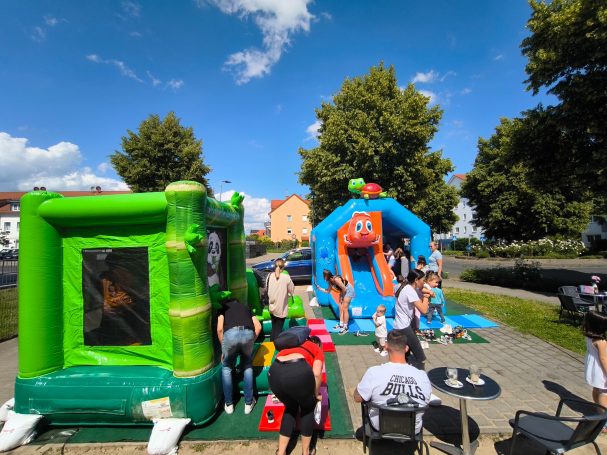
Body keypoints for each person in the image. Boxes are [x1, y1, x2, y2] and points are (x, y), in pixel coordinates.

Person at [354, 329, 432, 435]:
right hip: (412, 429)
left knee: (367, 398)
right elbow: (426, 400)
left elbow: (357, 398)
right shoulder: (422, 376)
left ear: (386, 346)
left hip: (380, 427)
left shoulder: (374, 372)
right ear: (406, 348)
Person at [268, 335, 324, 455]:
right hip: (296, 373)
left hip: (274, 374)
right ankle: (306, 451)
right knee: (307, 409)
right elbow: (317, 373)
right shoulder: (317, 349)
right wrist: (315, 395)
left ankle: (281, 452)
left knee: (290, 408)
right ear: (318, 344)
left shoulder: (292, 345)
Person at [216, 297, 262, 415]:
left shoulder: (223, 308)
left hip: (230, 335)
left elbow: (220, 329)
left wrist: (224, 347)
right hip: (248, 333)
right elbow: (258, 327)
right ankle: (248, 403)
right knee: (247, 365)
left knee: (226, 368)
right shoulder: (246, 308)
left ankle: (229, 404)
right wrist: (252, 340)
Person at [393, 269, 431, 369]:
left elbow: (419, 289)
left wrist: (427, 290)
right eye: (423, 280)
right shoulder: (410, 291)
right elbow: (423, 310)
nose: (424, 282)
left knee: (405, 353)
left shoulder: (402, 286)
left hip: (398, 325)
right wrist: (426, 297)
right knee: (420, 356)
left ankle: (403, 372)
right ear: (416, 280)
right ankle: (419, 376)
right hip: (404, 327)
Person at [583, 310, 607, 418]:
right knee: (604, 393)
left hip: (593, 367)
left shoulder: (589, 336)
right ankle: (604, 418)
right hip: (601, 370)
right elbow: (603, 358)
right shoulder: (601, 342)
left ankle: (598, 410)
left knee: (596, 389)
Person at [315, 269, 355, 335]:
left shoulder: (336, 279)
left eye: (324, 275)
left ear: (327, 276)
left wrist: (342, 297)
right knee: (340, 308)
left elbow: (344, 289)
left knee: (345, 308)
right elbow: (328, 291)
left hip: (348, 290)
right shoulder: (330, 282)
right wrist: (319, 288)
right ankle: (341, 324)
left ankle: (345, 327)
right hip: (343, 291)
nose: (323, 277)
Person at [268, 258, 295, 341]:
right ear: (283, 267)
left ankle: (271, 343)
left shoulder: (270, 276)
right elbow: (292, 290)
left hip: (272, 306)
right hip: (281, 308)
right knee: (278, 330)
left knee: (274, 328)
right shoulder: (286, 277)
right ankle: (276, 346)